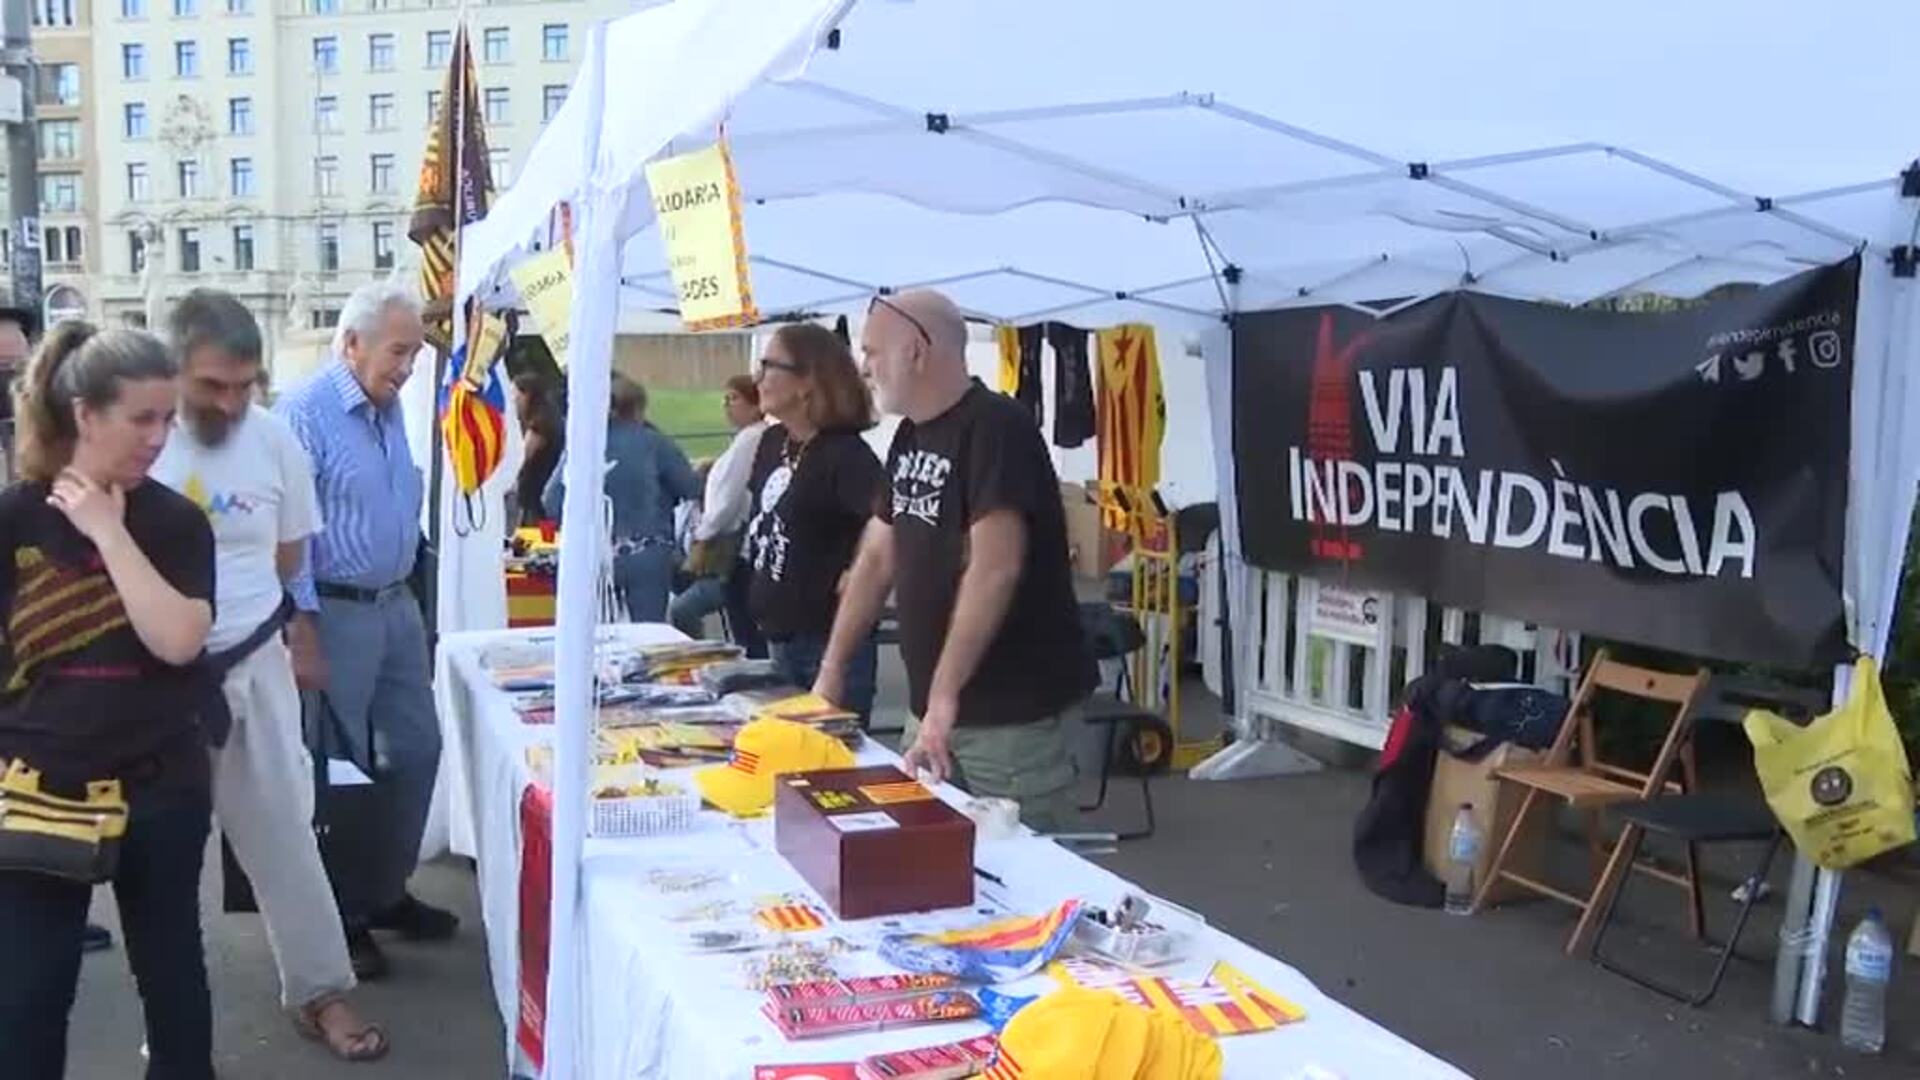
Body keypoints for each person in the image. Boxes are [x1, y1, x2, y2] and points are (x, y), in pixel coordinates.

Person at [151, 290, 387, 1060]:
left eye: (243, 385)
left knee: (285, 830)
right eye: (212, 386)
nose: (230, 401)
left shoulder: (276, 439)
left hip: (254, 659)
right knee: (160, 856)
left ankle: (321, 991)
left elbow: (291, 558)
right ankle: (173, 1031)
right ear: (174, 368)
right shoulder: (141, 439)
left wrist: (287, 631)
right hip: (156, 680)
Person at [0, 323, 218, 1079]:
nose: (160, 437)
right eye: (142, 418)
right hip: (40, 789)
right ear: (85, 414)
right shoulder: (14, 518)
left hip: (160, 784)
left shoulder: (175, 521)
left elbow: (179, 640)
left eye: (168, 418)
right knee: (26, 1000)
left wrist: (108, 532)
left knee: (173, 986)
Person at [815, 290, 1096, 831]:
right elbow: (876, 557)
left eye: (872, 351)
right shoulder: (910, 434)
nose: (863, 366)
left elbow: (996, 568)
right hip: (935, 713)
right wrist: (832, 671)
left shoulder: (998, 427)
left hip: (1011, 718)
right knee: (927, 863)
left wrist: (943, 699)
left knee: (1032, 871)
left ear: (916, 352)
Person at [277, 281, 455, 981]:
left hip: (395, 607)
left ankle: (384, 892)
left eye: (414, 351)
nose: (409, 365)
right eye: (398, 351)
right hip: (334, 612)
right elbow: (288, 530)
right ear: (350, 343)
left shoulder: (387, 411)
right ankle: (338, 919)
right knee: (337, 774)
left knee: (416, 750)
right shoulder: (305, 414)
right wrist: (303, 629)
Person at [745, 325, 883, 719]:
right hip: (776, 634)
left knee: (826, 766)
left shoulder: (846, 456)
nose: (759, 377)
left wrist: (856, 569)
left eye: (771, 366)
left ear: (808, 381)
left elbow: (889, 526)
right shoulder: (773, 443)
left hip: (827, 643)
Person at [544, 373, 700, 623]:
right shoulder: (655, 443)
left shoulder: (582, 444)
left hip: (594, 554)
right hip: (648, 552)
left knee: (594, 637)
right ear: (639, 407)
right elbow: (690, 487)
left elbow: (551, 501)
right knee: (648, 635)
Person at [668, 373, 768, 647]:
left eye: (734, 398)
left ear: (755, 403)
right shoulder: (746, 438)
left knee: (688, 609)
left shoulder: (751, 438)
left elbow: (730, 496)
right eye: (725, 399)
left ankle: (696, 655)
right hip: (730, 544)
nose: (727, 405)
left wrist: (704, 532)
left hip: (728, 546)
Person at [510, 372, 563, 527]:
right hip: (541, 498)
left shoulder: (538, 428)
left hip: (534, 501)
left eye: (515, 395)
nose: (512, 401)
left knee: (533, 543)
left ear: (527, 395)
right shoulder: (549, 422)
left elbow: (520, 460)